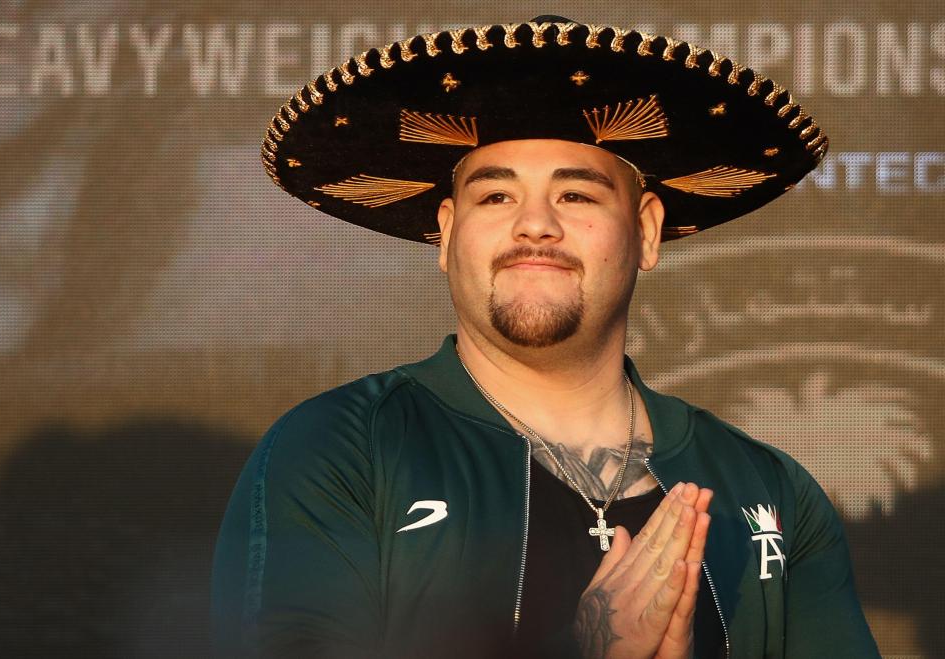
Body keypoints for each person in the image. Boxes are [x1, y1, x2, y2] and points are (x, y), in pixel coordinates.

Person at [212, 17, 880, 658]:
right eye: (495, 197)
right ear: (446, 233)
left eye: (577, 196)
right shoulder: (339, 452)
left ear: (646, 231)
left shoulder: (770, 491)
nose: (535, 224)